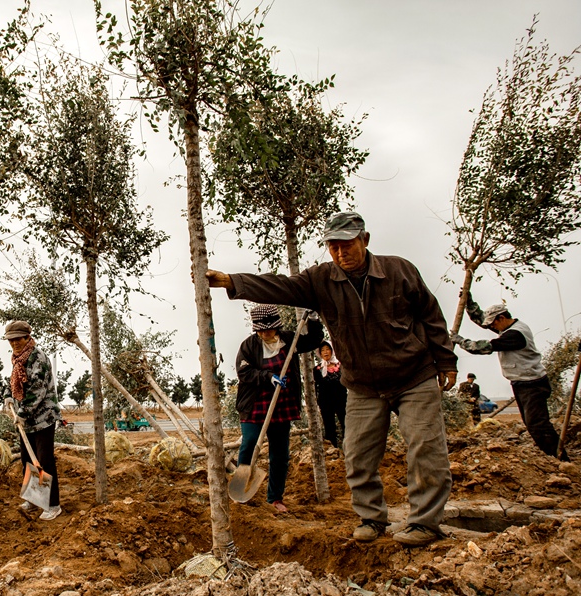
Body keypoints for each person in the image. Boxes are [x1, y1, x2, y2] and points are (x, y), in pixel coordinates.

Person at [206, 211, 458, 547]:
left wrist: (446, 360)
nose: (341, 253)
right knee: (356, 454)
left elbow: (431, 315)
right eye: (333, 247)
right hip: (363, 384)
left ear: (364, 240)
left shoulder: (400, 271)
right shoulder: (320, 281)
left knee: (425, 447)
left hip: (414, 375)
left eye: (347, 244)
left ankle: (425, 523)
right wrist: (232, 281)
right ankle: (371, 518)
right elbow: (282, 285)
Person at [451, 296, 566, 460]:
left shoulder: (516, 335)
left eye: (493, 324)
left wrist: (461, 341)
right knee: (531, 423)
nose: (492, 327)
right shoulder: (506, 327)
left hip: (532, 385)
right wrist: (468, 302)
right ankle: (554, 456)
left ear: (502, 318)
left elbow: (484, 347)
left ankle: (559, 457)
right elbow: (482, 319)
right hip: (521, 383)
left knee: (537, 425)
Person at [234, 304, 324, 512]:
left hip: (281, 405)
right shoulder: (248, 346)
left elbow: (313, 340)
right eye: (261, 330)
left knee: (280, 454)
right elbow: (244, 373)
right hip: (255, 403)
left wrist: (314, 320)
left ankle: (275, 498)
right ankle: (239, 490)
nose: (265, 333)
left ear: (276, 326)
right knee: (248, 444)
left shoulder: (288, 340)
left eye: (269, 329)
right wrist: (268, 377)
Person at [2, 320, 63, 521]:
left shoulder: (38, 358)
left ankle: (53, 505)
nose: (14, 343)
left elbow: (37, 390)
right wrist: (9, 395)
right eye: (11, 340)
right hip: (26, 419)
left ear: (27, 337)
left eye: (17, 339)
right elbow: (15, 382)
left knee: (44, 460)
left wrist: (22, 413)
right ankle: (35, 499)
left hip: (43, 417)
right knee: (28, 459)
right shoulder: (18, 359)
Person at [313, 340, 348, 448]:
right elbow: (315, 387)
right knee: (329, 426)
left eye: (328, 349)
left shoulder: (341, 366)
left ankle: (349, 448)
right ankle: (333, 451)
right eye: (322, 350)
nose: (325, 352)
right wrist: (317, 401)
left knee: (346, 424)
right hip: (325, 402)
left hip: (342, 400)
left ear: (332, 350)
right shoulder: (317, 369)